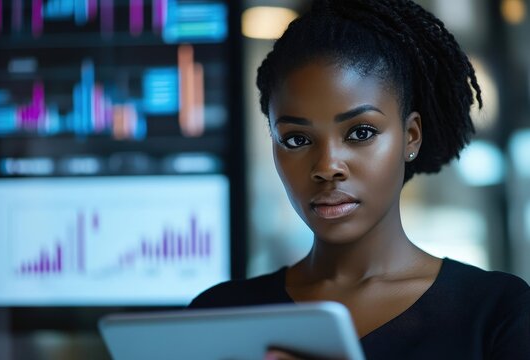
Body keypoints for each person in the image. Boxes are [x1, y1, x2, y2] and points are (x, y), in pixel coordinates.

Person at [189, 0, 530, 358]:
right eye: (296, 139)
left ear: (411, 136)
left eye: (361, 132)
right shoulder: (218, 315)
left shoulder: (497, 313)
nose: (327, 166)